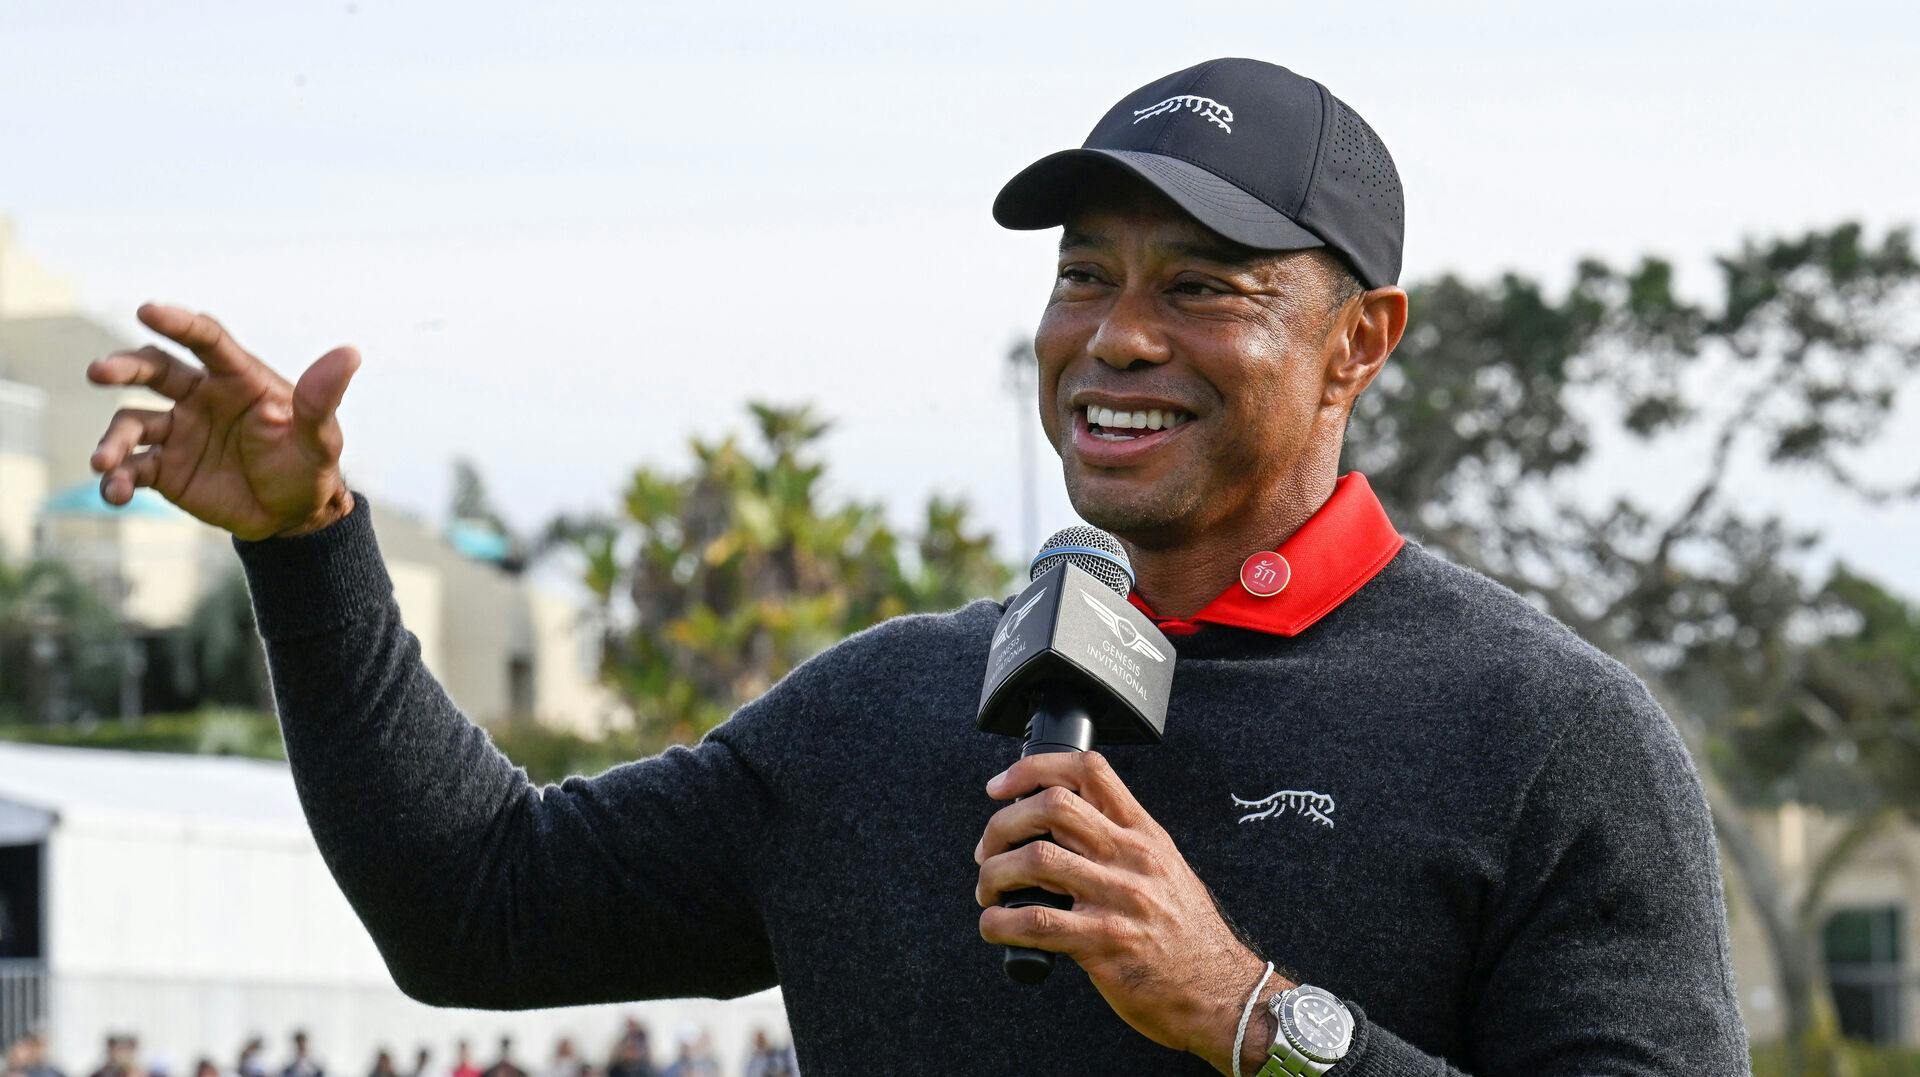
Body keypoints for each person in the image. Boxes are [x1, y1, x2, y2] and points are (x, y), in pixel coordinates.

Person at [84, 56, 1749, 1074]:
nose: (1116, 337)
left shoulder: (1544, 735)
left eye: (1204, 287)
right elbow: (478, 910)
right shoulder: (887, 709)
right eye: (1086, 275)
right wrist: (307, 549)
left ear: (1357, 341)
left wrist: (1247, 1012)